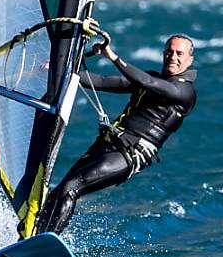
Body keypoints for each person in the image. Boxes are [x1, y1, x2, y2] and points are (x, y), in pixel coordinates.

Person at [37, 34, 197, 235]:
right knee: (57, 193)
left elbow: (148, 82)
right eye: (169, 52)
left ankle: (47, 243)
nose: (173, 57)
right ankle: (29, 239)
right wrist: (63, 73)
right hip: (107, 143)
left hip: (129, 154)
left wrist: (112, 57)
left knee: (71, 188)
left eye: (179, 53)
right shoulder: (152, 77)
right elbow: (103, 81)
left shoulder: (185, 91)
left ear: (190, 60)